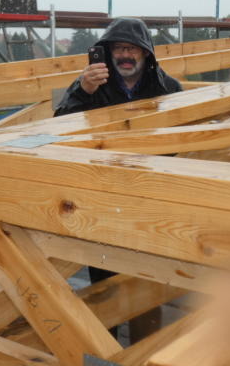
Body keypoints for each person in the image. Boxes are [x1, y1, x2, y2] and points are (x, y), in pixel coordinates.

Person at [54, 17, 182, 342]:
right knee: (104, 284)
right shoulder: (91, 85)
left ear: (145, 53)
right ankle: (105, 350)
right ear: (107, 53)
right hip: (102, 197)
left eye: (131, 49)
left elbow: (182, 142)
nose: (125, 55)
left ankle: (144, 351)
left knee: (147, 284)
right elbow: (58, 127)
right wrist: (83, 91)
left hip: (147, 201)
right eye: (118, 48)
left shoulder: (169, 89)